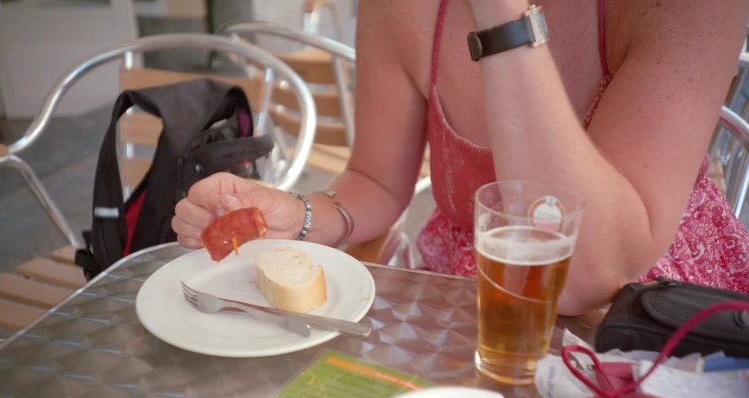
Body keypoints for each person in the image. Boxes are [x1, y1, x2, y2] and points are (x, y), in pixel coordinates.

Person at [173, 0, 749, 315]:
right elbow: (374, 180)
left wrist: (499, 12)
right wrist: (294, 214)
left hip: (651, 313)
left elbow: (583, 277)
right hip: (467, 298)